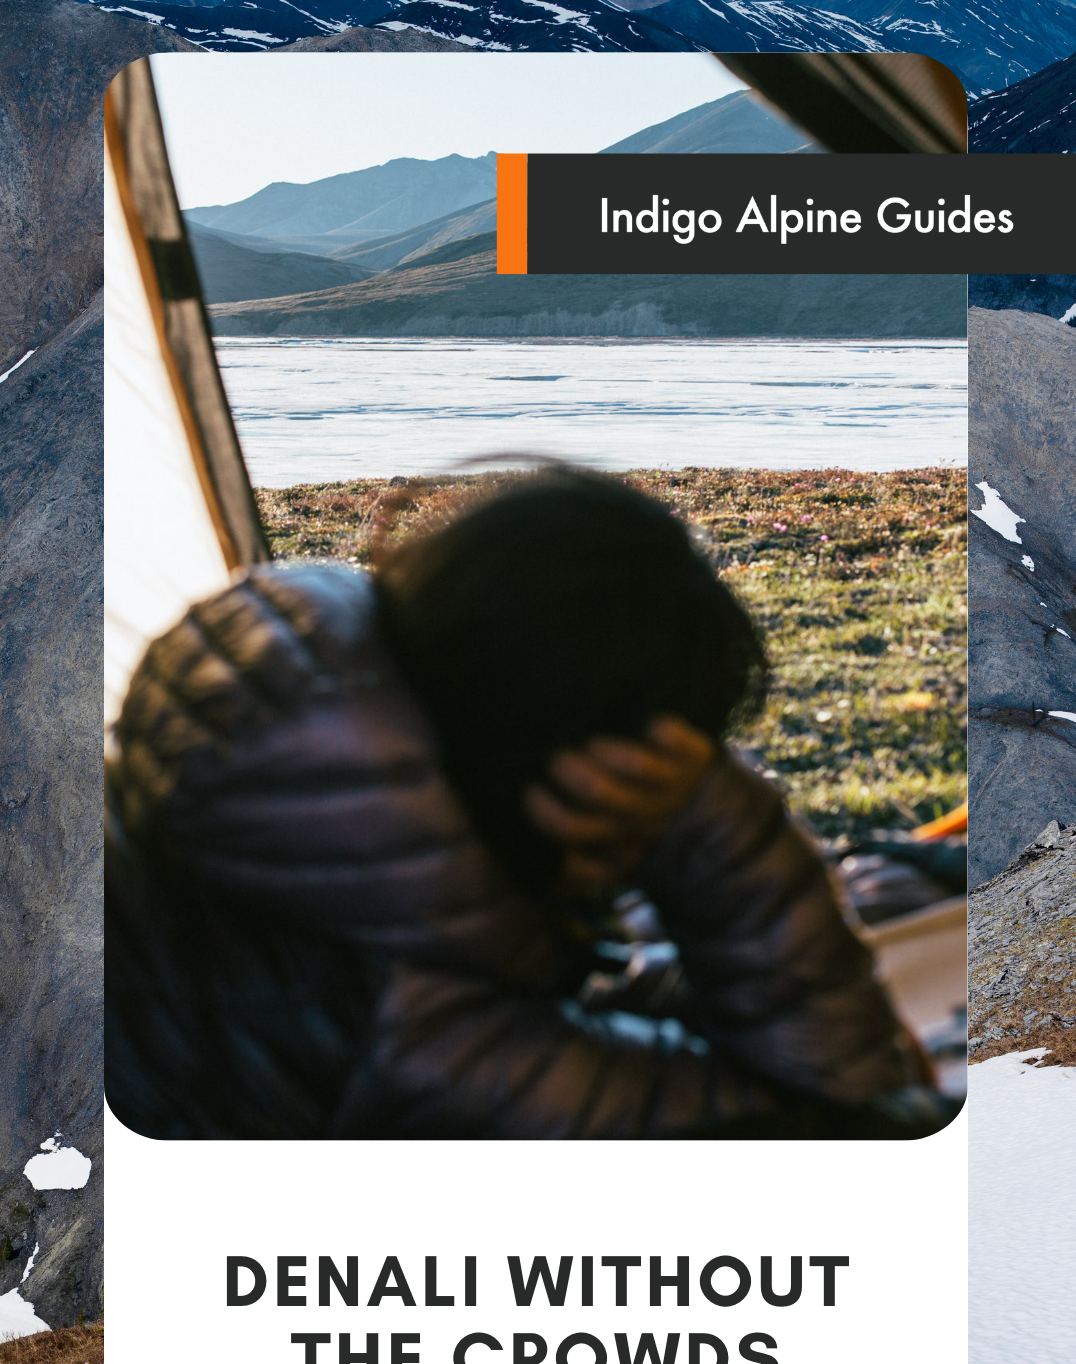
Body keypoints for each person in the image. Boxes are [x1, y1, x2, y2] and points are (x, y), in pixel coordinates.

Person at [106, 468, 938, 1139]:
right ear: (574, 782)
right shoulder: (428, 1047)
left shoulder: (253, 718)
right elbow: (868, 1104)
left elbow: (587, 988)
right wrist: (718, 836)